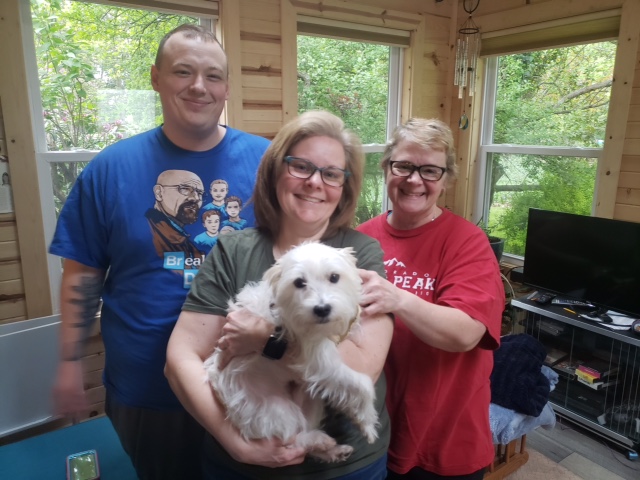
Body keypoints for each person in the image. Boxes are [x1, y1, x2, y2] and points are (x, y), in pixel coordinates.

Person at [48, 24, 270, 480]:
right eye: (183, 72)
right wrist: (69, 361)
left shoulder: (266, 164)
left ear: (227, 87)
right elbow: (82, 274)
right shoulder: (110, 170)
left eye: (213, 76)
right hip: (146, 392)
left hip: (248, 383)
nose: (199, 86)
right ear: (155, 78)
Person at [165, 110, 394, 480]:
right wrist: (234, 442)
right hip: (239, 464)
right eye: (301, 166)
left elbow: (357, 370)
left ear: (344, 187)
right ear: (275, 171)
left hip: (346, 469)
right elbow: (181, 359)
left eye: (331, 173)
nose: (314, 182)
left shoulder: (359, 254)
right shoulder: (232, 251)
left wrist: (265, 340)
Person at [356, 118, 503, 479]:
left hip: (445, 439)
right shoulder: (360, 239)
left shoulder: (467, 242)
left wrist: (397, 298)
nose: (414, 180)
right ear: (386, 168)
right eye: (403, 166)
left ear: (446, 179)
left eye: (430, 170)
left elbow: (466, 333)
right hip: (373, 433)